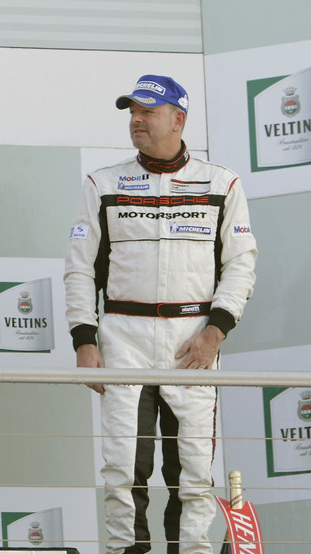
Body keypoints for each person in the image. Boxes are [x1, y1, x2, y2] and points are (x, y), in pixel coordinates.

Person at [64, 74, 257, 553]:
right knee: (122, 466)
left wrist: (215, 333)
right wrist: (84, 340)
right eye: (132, 111)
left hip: (192, 340)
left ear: (178, 119)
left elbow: (241, 265)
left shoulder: (222, 183)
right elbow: (79, 268)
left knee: (192, 471)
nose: (137, 120)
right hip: (123, 339)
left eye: (147, 111)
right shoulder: (103, 183)